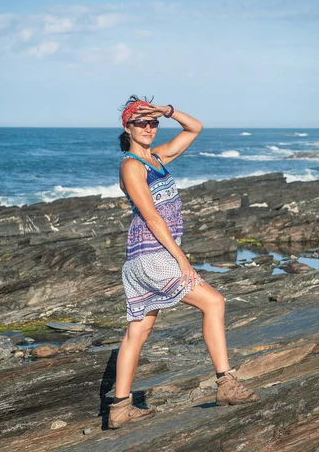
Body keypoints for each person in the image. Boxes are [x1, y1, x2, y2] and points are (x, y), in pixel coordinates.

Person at [108, 96, 261, 429]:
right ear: (127, 127)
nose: (148, 128)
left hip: (141, 256)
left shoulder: (157, 157)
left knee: (139, 329)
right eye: (140, 122)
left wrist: (166, 110)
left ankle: (120, 407)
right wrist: (183, 261)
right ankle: (227, 383)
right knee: (214, 302)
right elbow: (151, 217)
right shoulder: (132, 165)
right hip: (152, 255)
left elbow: (196, 127)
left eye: (152, 123)